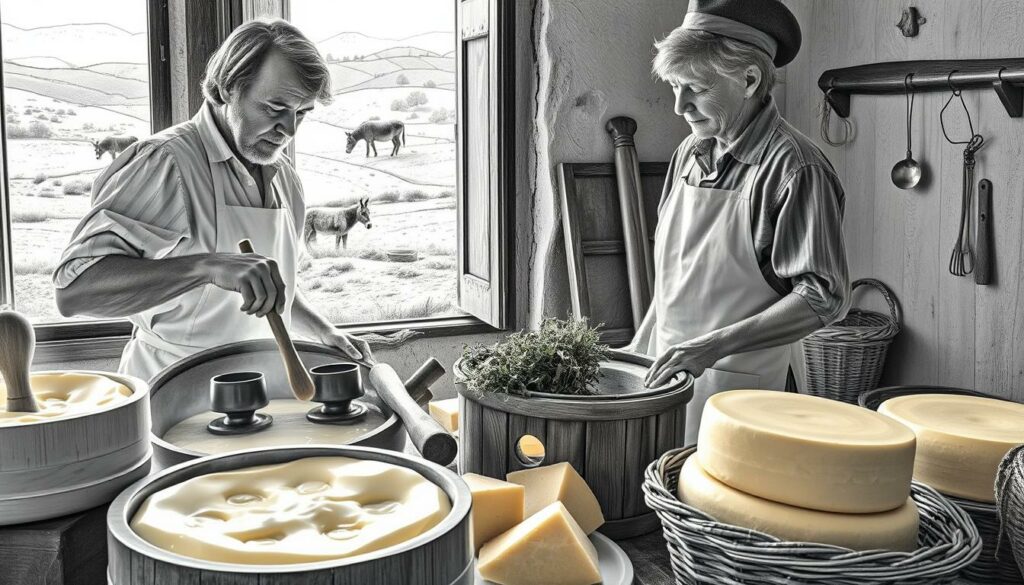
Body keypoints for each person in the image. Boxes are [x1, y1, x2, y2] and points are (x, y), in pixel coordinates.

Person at [53, 19, 372, 381]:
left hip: (257, 394)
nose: (290, 130)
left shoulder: (286, 179)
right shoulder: (166, 162)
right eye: (274, 107)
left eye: (302, 113)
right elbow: (73, 291)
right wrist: (206, 268)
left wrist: (323, 331)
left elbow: (272, 291)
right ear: (225, 90)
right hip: (170, 392)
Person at [626, 0, 851, 443]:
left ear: (748, 80)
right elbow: (678, 281)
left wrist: (711, 346)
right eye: (674, 86)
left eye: (695, 87)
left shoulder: (795, 169)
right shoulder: (689, 154)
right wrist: (637, 349)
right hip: (666, 384)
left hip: (746, 394)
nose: (679, 106)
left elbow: (824, 296)